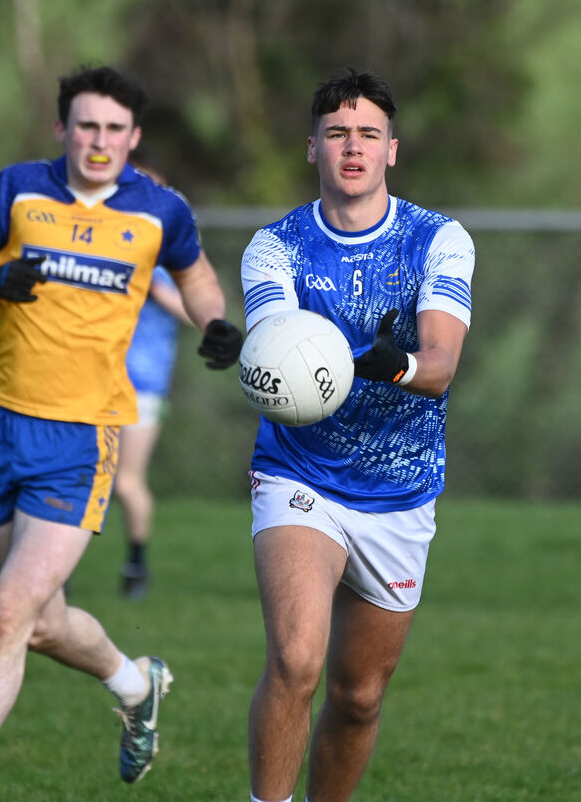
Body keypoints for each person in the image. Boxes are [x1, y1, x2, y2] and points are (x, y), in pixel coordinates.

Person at [0, 65, 243, 802]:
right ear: (62, 129)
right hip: (0, 424)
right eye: (86, 125)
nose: (99, 141)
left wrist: (215, 323)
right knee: (41, 623)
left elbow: (198, 275)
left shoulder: (159, 209)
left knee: (5, 617)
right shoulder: (17, 187)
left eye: (115, 129)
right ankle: (137, 684)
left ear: (133, 138)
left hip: (82, 439)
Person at [238, 68, 475, 802]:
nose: (353, 147)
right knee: (298, 658)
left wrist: (393, 363)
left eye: (368, 134)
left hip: (399, 489)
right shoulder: (274, 248)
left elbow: (439, 366)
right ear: (312, 147)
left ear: (391, 150)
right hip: (299, 475)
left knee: (358, 695)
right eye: (337, 133)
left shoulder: (438, 239)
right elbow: (277, 347)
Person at [115, 260, 190, 600]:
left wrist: (156, 290)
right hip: (97, 383)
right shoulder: (123, 256)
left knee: (127, 482)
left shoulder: (169, 272)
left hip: (144, 387)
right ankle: (58, 572)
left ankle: (136, 566)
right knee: (80, 477)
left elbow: (196, 314)